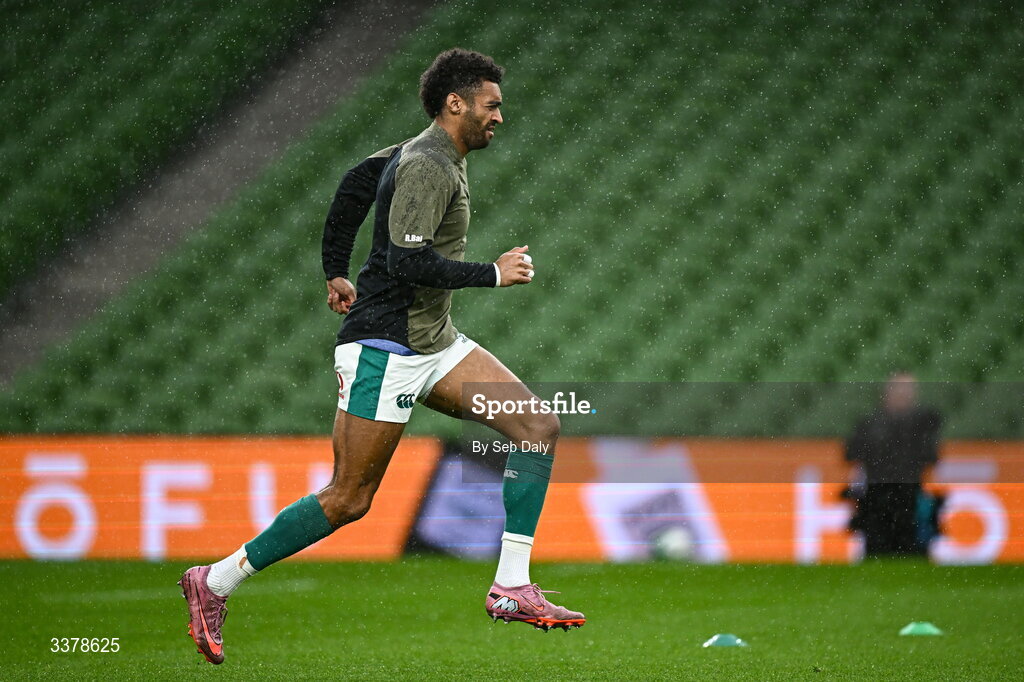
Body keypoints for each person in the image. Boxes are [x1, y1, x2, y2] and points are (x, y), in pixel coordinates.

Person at [178, 48, 584, 665]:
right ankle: (214, 582)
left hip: (434, 340)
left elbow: (353, 186)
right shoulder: (426, 164)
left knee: (535, 426)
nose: (500, 116)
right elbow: (404, 260)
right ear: (457, 102)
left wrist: (334, 269)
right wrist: (492, 275)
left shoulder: (416, 152)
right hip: (385, 347)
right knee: (348, 499)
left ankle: (511, 586)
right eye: (492, 104)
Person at [844, 372, 943, 557]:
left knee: (910, 550)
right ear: (888, 391)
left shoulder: (920, 424)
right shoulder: (870, 423)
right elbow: (852, 455)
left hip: (908, 496)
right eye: (901, 389)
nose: (905, 394)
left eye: (909, 389)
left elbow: (931, 458)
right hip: (877, 496)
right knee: (878, 549)